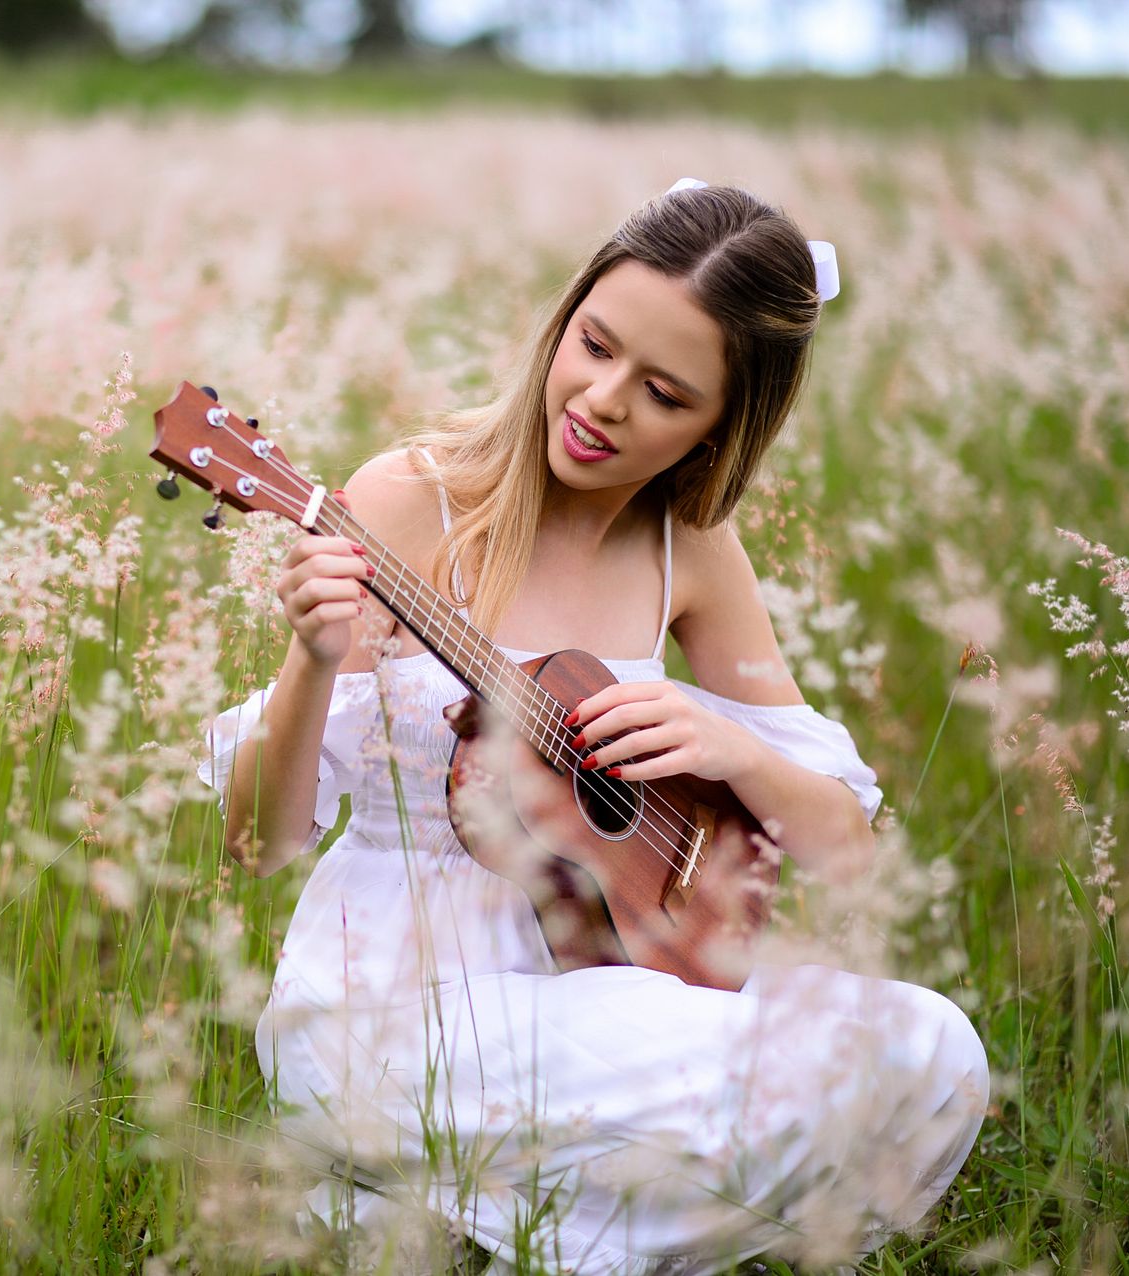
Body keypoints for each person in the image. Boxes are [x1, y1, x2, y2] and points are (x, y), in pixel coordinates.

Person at [196, 179, 988, 1275]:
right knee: (730, 1074)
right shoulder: (407, 501)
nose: (604, 400)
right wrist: (312, 660)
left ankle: (435, 1227)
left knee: (936, 1052)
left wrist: (730, 749)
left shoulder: (688, 554)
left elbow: (848, 851)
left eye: (663, 392)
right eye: (595, 345)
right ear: (563, 319)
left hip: (612, 993)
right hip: (392, 1011)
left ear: (722, 427)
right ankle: (475, 1214)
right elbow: (258, 844)